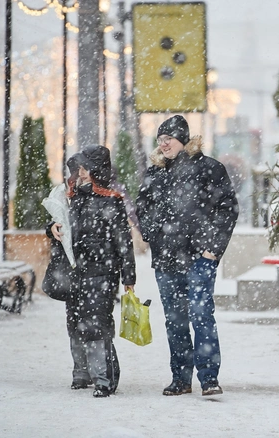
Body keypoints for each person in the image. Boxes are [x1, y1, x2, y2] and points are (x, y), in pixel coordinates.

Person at [136, 115, 239, 396]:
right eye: (160, 140)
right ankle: (181, 379)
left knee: (202, 316)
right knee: (175, 320)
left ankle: (208, 379)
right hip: (166, 259)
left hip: (199, 258)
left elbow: (228, 209)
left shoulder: (209, 169)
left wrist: (212, 250)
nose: (163, 144)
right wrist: (152, 234)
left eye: (168, 138)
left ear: (183, 139)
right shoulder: (154, 173)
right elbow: (141, 208)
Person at [48, 145, 136, 398]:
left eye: (85, 168)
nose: (81, 173)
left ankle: (104, 378)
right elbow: (59, 226)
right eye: (79, 168)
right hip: (74, 271)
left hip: (102, 273)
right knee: (75, 322)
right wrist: (51, 228)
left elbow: (123, 242)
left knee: (96, 324)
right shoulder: (70, 198)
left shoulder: (112, 201)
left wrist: (128, 276)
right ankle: (81, 372)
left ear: (97, 171)